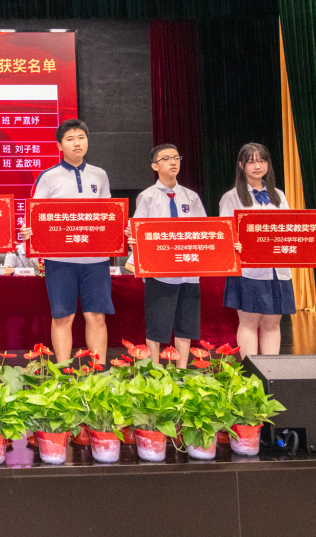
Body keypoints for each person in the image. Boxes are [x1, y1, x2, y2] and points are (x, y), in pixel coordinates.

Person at [18, 118, 113, 364]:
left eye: (81, 137)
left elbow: (109, 213)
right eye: (70, 139)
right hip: (60, 260)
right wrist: (29, 230)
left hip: (96, 259)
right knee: (62, 317)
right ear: (60, 146)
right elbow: (34, 216)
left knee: (96, 316)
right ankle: (62, 372)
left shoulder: (100, 175)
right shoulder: (48, 177)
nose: (77, 143)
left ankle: (98, 372)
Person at [130, 144, 205, 367]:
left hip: (188, 271)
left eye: (176, 157)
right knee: (157, 327)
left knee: (186, 327)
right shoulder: (147, 197)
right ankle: (155, 372)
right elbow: (139, 232)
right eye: (166, 159)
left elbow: (205, 230)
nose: (173, 162)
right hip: (159, 273)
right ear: (155, 166)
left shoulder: (191, 197)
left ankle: (181, 372)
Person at [219, 143, 295, 356]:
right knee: (249, 323)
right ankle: (250, 371)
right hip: (249, 271)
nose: (258, 166)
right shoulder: (232, 197)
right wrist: (234, 242)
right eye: (251, 162)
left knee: (272, 323)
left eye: (262, 161)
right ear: (241, 165)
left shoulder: (278, 195)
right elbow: (225, 232)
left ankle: (270, 370)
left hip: (278, 270)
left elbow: (290, 227)